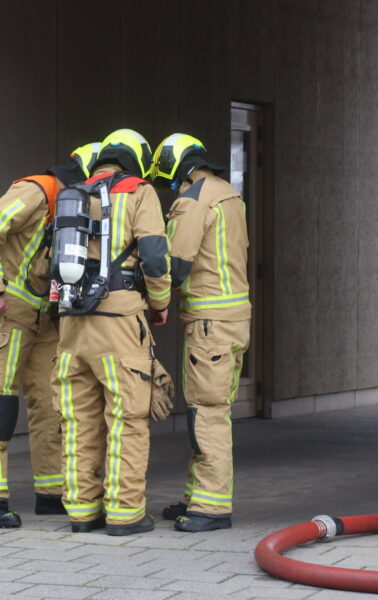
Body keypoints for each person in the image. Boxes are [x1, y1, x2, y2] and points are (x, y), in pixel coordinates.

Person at [0, 143, 100, 528]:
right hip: (3, 311)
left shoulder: (76, 203)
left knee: (52, 401)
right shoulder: (38, 190)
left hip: (44, 317)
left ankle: (51, 492)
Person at [51, 129, 172, 536]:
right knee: (127, 418)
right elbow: (155, 256)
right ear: (135, 159)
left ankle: (82, 512)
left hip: (71, 324)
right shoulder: (140, 192)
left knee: (78, 420)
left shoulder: (72, 193)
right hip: (119, 322)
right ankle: (125, 514)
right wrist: (159, 303)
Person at [151, 133, 251, 532]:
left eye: (169, 181)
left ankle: (211, 509)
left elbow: (176, 263)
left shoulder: (195, 200)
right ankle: (195, 499)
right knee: (208, 410)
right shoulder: (229, 193)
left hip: (210, 321)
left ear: (179, 169)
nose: (171, 188)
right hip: (232, 318)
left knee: (207, 414)